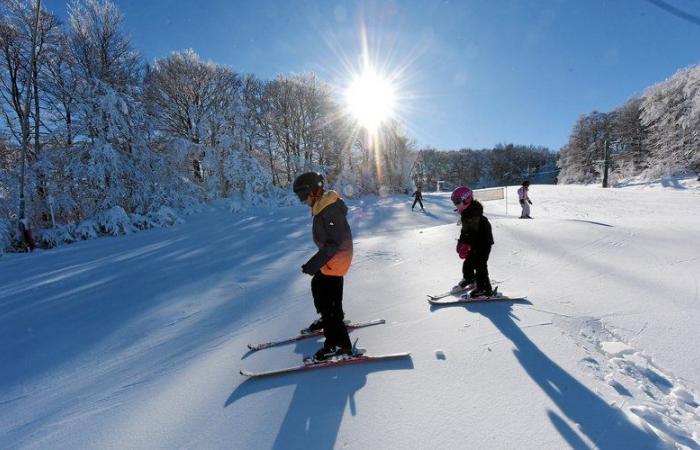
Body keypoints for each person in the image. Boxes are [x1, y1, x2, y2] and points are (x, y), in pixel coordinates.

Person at [293, 172, 357, 362]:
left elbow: (333, 243)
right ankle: (328, 318)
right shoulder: (323, 206)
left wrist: (315, 263)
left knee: (329, 302)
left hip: (337, 258)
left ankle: (338, 345)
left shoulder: (329, 209)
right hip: (334, 258)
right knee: (319, 285)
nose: (302, 200)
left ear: (312, 191)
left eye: (302, 195)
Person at [451, 186, 494, 297]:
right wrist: (461, 242)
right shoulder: (466, 213)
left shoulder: (473, 214)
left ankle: (484, 289)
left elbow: (472, 232)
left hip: (483, 243)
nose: (455, 205)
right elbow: (465, 230)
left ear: (467, 199)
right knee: (468, 263)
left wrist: (466, 244)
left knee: (480, 265)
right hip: (474, 243)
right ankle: (470, 279)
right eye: (454, 202)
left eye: (457, 202)